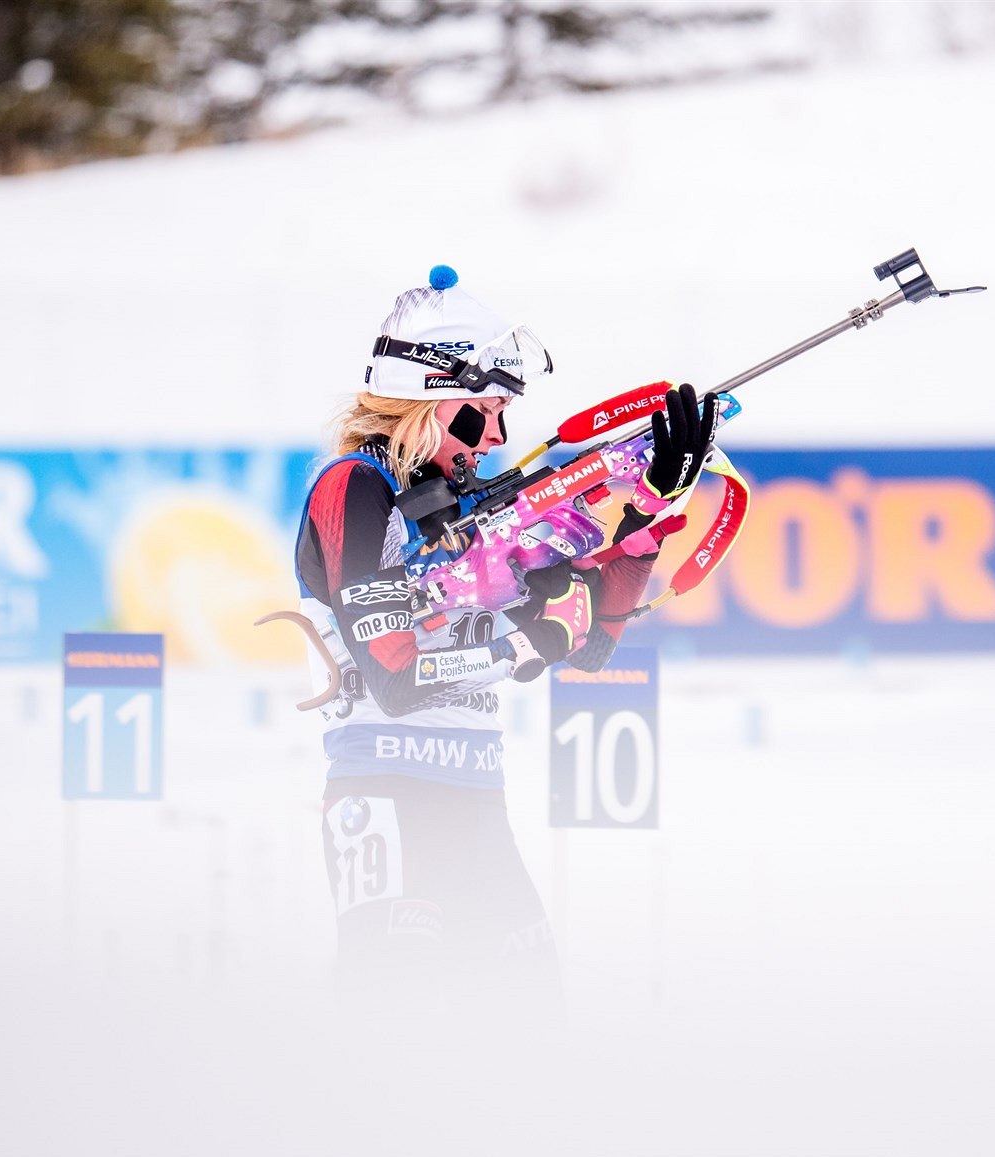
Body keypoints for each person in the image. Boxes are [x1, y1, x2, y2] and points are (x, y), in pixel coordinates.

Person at [292, 265, 714, 1011]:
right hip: (384, 796)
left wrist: (643, 520)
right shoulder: (354, 488)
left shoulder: (476, 516)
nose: (497, 436)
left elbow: (591, 643)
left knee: (529, 1026)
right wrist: (528, 641)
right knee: (392, 1024)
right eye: (483, 412)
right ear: (426, 397)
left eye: (502, 414)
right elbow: (395, 678)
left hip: (478, 803)